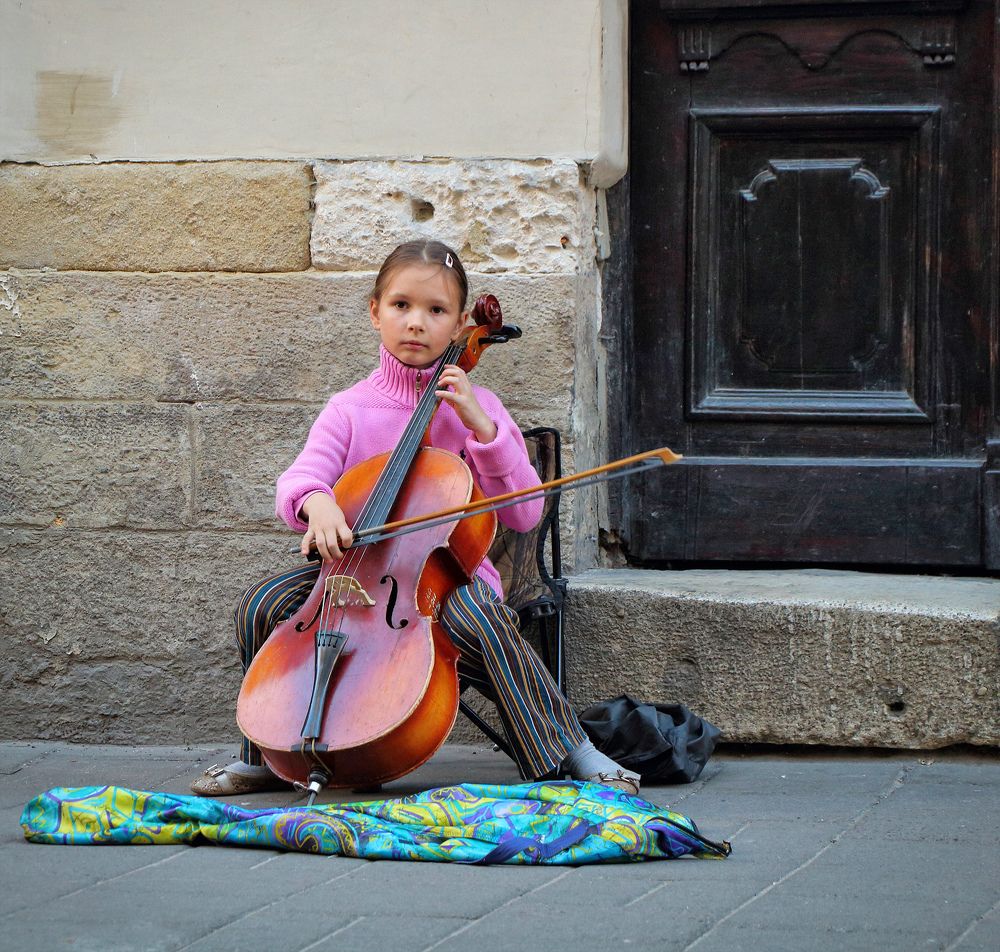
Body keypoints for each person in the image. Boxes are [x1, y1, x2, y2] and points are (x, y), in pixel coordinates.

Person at [191, 240, 640, 798]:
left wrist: (481, 428)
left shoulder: (479, 410)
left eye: (436, 310)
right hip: (349, 575)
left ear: (458, 328)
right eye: (401, 305)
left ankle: (569, 749)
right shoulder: (349, 408)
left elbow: (524, 514)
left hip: (446, 581)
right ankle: (265, 753)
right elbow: (299, 478)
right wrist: (318, 502)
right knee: (263, 604)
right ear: (375, 310)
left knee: (481, 621)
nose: (416, 323)